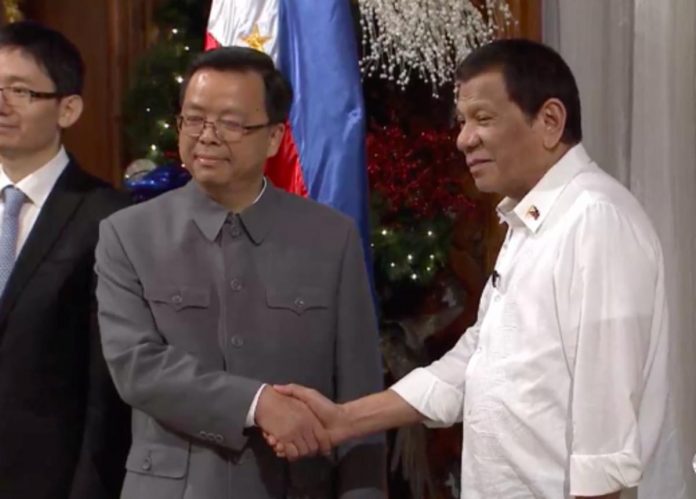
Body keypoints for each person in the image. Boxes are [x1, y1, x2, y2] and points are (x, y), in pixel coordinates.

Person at [267, 39, 679, 499]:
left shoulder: (596, 220)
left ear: (550, 121)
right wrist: (345, 420)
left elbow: (606, 443)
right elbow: (476, 365)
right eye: (462, 122)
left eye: (483, 119)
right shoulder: (529, 222)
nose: (464, 138)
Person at [95, 46, 385, 499]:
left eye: (230, 123)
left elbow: (359, 393)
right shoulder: (126, 234)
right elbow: (137, 366)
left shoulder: (332, 237)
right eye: (194, 119)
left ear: (273, 137)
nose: (206, 137)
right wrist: (257, 404)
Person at [0, 20, 130, 499]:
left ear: (68, 108)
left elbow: (106, 391)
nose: (1, 103)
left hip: (48, 480)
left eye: (20, 91)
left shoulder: (108, 217)